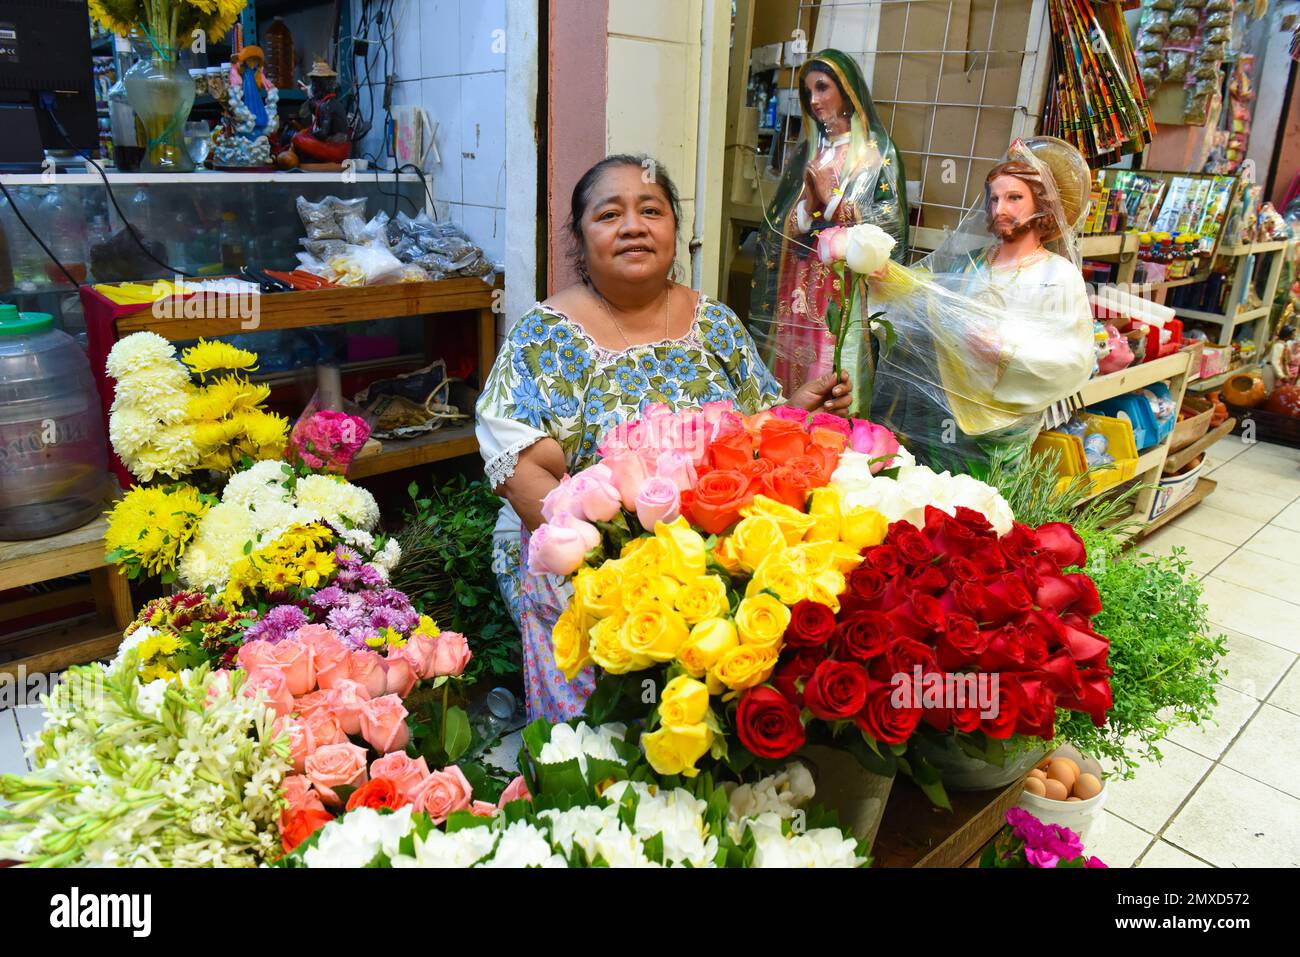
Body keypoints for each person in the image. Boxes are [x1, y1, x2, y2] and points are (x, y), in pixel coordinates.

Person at [476, 154, 852, 722]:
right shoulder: (546, 335)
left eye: (651, 210)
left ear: (675, 230)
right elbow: (521, 471)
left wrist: (798, 412)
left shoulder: (715, 323)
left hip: (710, 538)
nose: (633, 225)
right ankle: (582, 761)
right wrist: (607, 567)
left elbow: (760, 431)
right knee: (590, 634)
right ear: (580, 238)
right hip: (587, 546)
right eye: (609, 214)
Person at [871, 137, 1095, 475]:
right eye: (994, 198)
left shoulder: (1057, 275)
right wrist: (889, 278)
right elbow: (926, 297)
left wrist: (1006, 353)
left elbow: (1073, 358)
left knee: (983, 506)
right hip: (943, 412)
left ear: (1043, 205)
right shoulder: (970, 265)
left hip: (1001, 427)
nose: (999, 209)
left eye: (1014, 198)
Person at [748, 49, 908, 416]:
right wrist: (806, 210)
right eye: (808, 93)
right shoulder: (808, 152)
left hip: (843, 287)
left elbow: (888, 224)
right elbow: (780, 223)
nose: (815, 100)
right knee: (791, 369)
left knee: (834, 367)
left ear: (847, 91)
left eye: (823, 88)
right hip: (799, 284)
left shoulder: (874, 154)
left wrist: (831, 204)